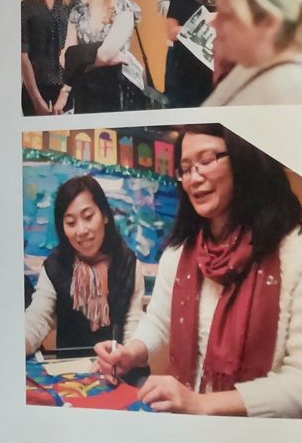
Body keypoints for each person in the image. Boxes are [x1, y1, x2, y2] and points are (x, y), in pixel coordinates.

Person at [95, 124, 302, 417]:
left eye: (206, 161)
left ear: (243, 160)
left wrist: (201, 404)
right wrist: (132, 352)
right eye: (186, 168)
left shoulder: (293, 252)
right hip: (189, 433)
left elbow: (299, 384)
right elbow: (159, 320)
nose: (194, 177)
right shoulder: (181, 252)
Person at [24, 176, 144, 356]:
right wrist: (19, 344)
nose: (81, 231)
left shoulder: (127, 262)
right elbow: (39, 317)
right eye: (71, 223)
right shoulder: (55, 266)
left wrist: (126, 357)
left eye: (88, 217)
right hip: (70, 375)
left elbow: (133, 323)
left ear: (104, 215)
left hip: (119, 367)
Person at [55, 0, 146, 113]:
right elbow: (65, 58)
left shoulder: (124, 9)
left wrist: (79, 59)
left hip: (116, 93)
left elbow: (105, 53)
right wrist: (106, 60)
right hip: (84, 93)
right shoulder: (78, 12)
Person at [205, 0, 302, 106]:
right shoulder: (251, 64)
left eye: (226, 16)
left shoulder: (287, 87)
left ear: (269, 22)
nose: (213, 23)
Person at [21, 0, 80, 115]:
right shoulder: (27, 5)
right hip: (35, 89)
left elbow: (77, 49)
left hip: (67, 88)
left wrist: (65, 93)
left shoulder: (73, 1)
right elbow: (22, 55)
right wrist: (37, 100)